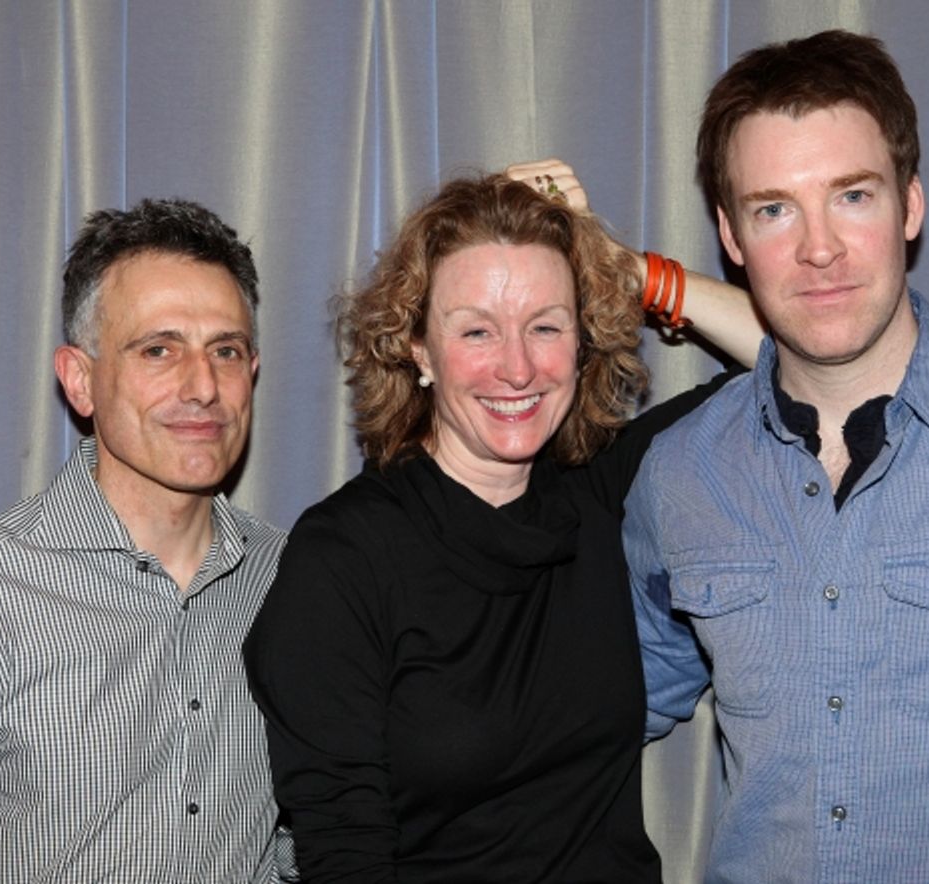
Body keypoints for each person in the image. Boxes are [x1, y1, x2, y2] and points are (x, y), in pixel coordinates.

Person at [245, 170, 763, 882]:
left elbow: (797, 357)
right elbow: (344, 854)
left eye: (545, 326)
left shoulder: (604, 490)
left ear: (581, 342)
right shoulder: (343, 558)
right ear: (419, 349)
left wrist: (621, 266)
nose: (517, 368)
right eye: (477, 331)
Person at [625, 29, 929, 883]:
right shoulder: (678, 475)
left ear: (910, 206)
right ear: (731, 235)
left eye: (852, 195)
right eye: (774, 209)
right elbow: (596, 712)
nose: (818, 248)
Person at [0, 199, 293, 881]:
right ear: (80, 381)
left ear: (251, 372)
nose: (203, 387)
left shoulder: (293, 580)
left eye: (225, 351)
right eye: (159, 349)